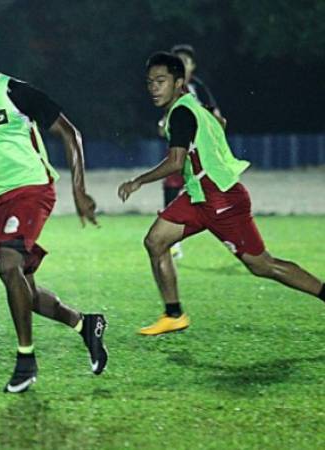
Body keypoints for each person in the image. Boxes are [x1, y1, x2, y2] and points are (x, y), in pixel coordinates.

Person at [0, 33, 108, 393]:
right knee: (24, 293)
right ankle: (86, 325)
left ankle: (26, 360)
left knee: (8, 265)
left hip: (31, 190)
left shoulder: (12, 92)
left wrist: (79, 190)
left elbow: (70, 133)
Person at [118, 52, 325, 336]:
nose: (154, 87)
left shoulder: (180, 112)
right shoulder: (193, 106)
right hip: (198, 197)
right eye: (150, 82)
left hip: (222, 200)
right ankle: (174, 315)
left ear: (179, 82)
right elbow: (221, 124)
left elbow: (176, 162)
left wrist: (137, 181)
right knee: (155, 241)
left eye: (161, 80)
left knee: (262, 265)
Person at [159, 44, 223, 260]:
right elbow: (165, 118)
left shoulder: (198, 87)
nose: (181, 65)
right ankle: (171, 241)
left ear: (193, 66)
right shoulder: (170, 88)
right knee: (172, 183)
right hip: (182, 148)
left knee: (210, 191)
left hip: (203, 152)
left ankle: (227, 229)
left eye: (186, 61)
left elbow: (216, 116)